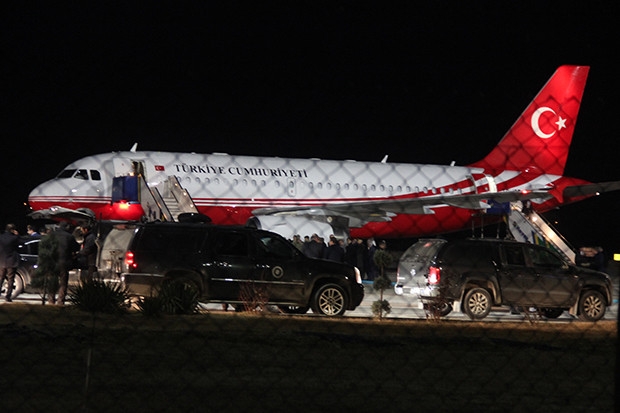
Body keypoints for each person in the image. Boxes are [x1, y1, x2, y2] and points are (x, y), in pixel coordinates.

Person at [49, 222, 80, 305]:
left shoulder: (52, 235)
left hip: (53, 261)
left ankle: (51, 299)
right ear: (67, 227)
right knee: (63, 282)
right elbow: (76, 247)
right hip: (64, 261)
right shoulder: (69, 236)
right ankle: (61, 300)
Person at [0, 223, 21, 302]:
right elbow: (20, 242)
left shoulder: (1, 237)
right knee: (10, 279)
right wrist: (17, 235)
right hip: (11, 261)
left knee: (1, 278)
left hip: (2, 260)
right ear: (13, 230)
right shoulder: (14, 238)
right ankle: (8, 296)